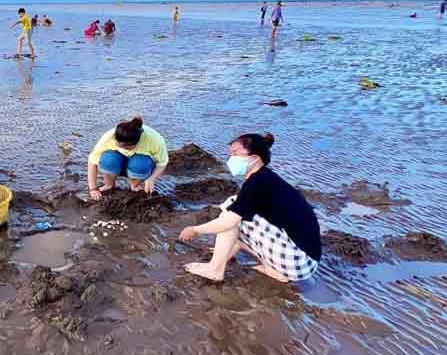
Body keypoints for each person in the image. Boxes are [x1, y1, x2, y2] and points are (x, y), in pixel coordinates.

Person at [180, 133, 320, 283]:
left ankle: (214, 270)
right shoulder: (266, 177)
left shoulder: (257, 184)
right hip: (305, 264)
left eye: (235, 153)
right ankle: (262, 263)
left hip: (297, 262)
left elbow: (227, 223)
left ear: (254, 158)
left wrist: (194, 230)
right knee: (238, 210)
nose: (230, 158)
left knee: (231, 213)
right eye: (230, 154)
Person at [87, 117, 169, 200]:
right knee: (109, 159)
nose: (122, 148)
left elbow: (162, 163)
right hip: (116, 162)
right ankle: (109, 185)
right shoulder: (109, 137)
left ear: (136, 143)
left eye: (126, 147)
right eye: (118, 145)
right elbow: (92, 161)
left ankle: (135, 186)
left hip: (140, 165)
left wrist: (151, 179)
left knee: (140, 163)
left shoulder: (154, 140)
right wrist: (93, 188)